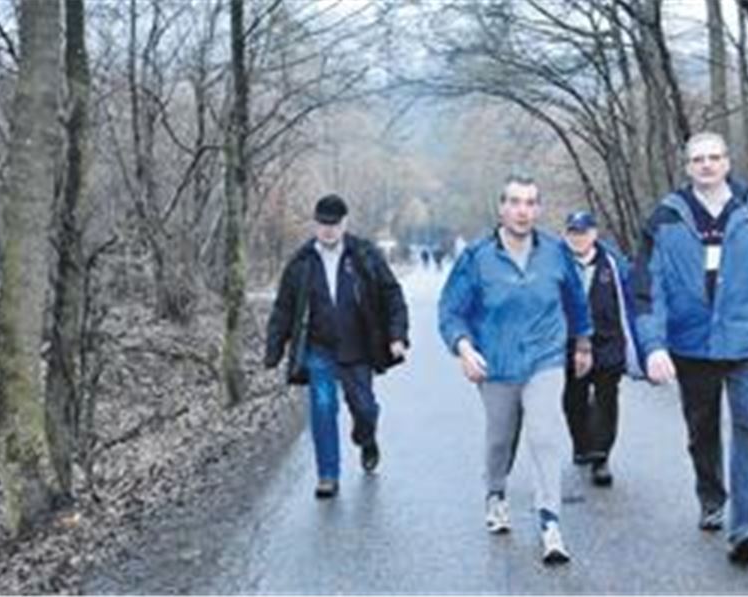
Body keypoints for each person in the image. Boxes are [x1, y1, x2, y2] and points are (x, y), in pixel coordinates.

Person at [632, 132, 748, 565]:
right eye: (698, 159)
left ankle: (744, 526)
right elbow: (648, 288)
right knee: (702, 428)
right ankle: (711, 495)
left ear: (727, 162)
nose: (707, 165)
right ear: (687, 167)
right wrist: (653, 345)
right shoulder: (666, 217)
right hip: (691, 345)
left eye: (714, 157)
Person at [438, 173, 593, 565]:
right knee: (500, 439)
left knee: (543, 435)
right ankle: (495, 493)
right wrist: (463, 347)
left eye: (529, 203)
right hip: (496, 363)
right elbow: (451, 310)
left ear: (538, 209)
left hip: (545, 358)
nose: (522, 211)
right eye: (515, 202)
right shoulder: (477, 257)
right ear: (501, 208)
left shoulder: (556, 253)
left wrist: (583, 342)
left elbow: (576, 301)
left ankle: (550, 522)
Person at [264, 194, 409, 499]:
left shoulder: (365, 255)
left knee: (365, 409)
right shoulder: (301, 263)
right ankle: (327, 475)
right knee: (323, 407)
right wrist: (274, 349)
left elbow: (392, 295)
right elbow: (283, 309)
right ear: (314, 224)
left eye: (334, 224)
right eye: (322, 224)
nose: (328, 230)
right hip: (320, 349)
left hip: (358, 348)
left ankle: (366, 436)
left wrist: (397, 336)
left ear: (345, 223)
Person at [560, 210, 641, 487]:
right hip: (569, 345)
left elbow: (632, 299)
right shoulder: (557, 264)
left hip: (608, 342)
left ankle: (601, 456)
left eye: (583, 232)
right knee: (574, 399)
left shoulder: (613, 264)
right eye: (573, 232)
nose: (578, 238)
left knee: (607, 399)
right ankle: (582, 443)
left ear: (594, 234)